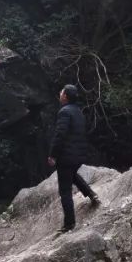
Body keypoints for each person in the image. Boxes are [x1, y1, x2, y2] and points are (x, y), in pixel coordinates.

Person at [48, 84, 99, 232]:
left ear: (65, 96)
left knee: (65, 190)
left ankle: (69, 224)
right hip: (79, 154)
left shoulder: (64, 112)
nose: (60, 93)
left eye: (61, 91)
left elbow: (60, 135)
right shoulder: (78, 112)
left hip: (66, 156)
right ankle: (91, 194)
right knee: (72, 175)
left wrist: (52, 155)